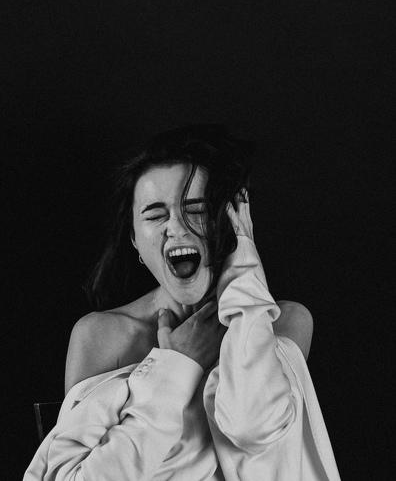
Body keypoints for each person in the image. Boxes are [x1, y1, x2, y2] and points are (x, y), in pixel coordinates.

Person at [24, 124, 341, 480]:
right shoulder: (102, 335)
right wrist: (175, 367)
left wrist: (243, 257)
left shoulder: (285, 322)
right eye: (155, 215)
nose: (176, 227)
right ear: (135, 240)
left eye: (197, 210)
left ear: (228, 222)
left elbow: (253, 427)